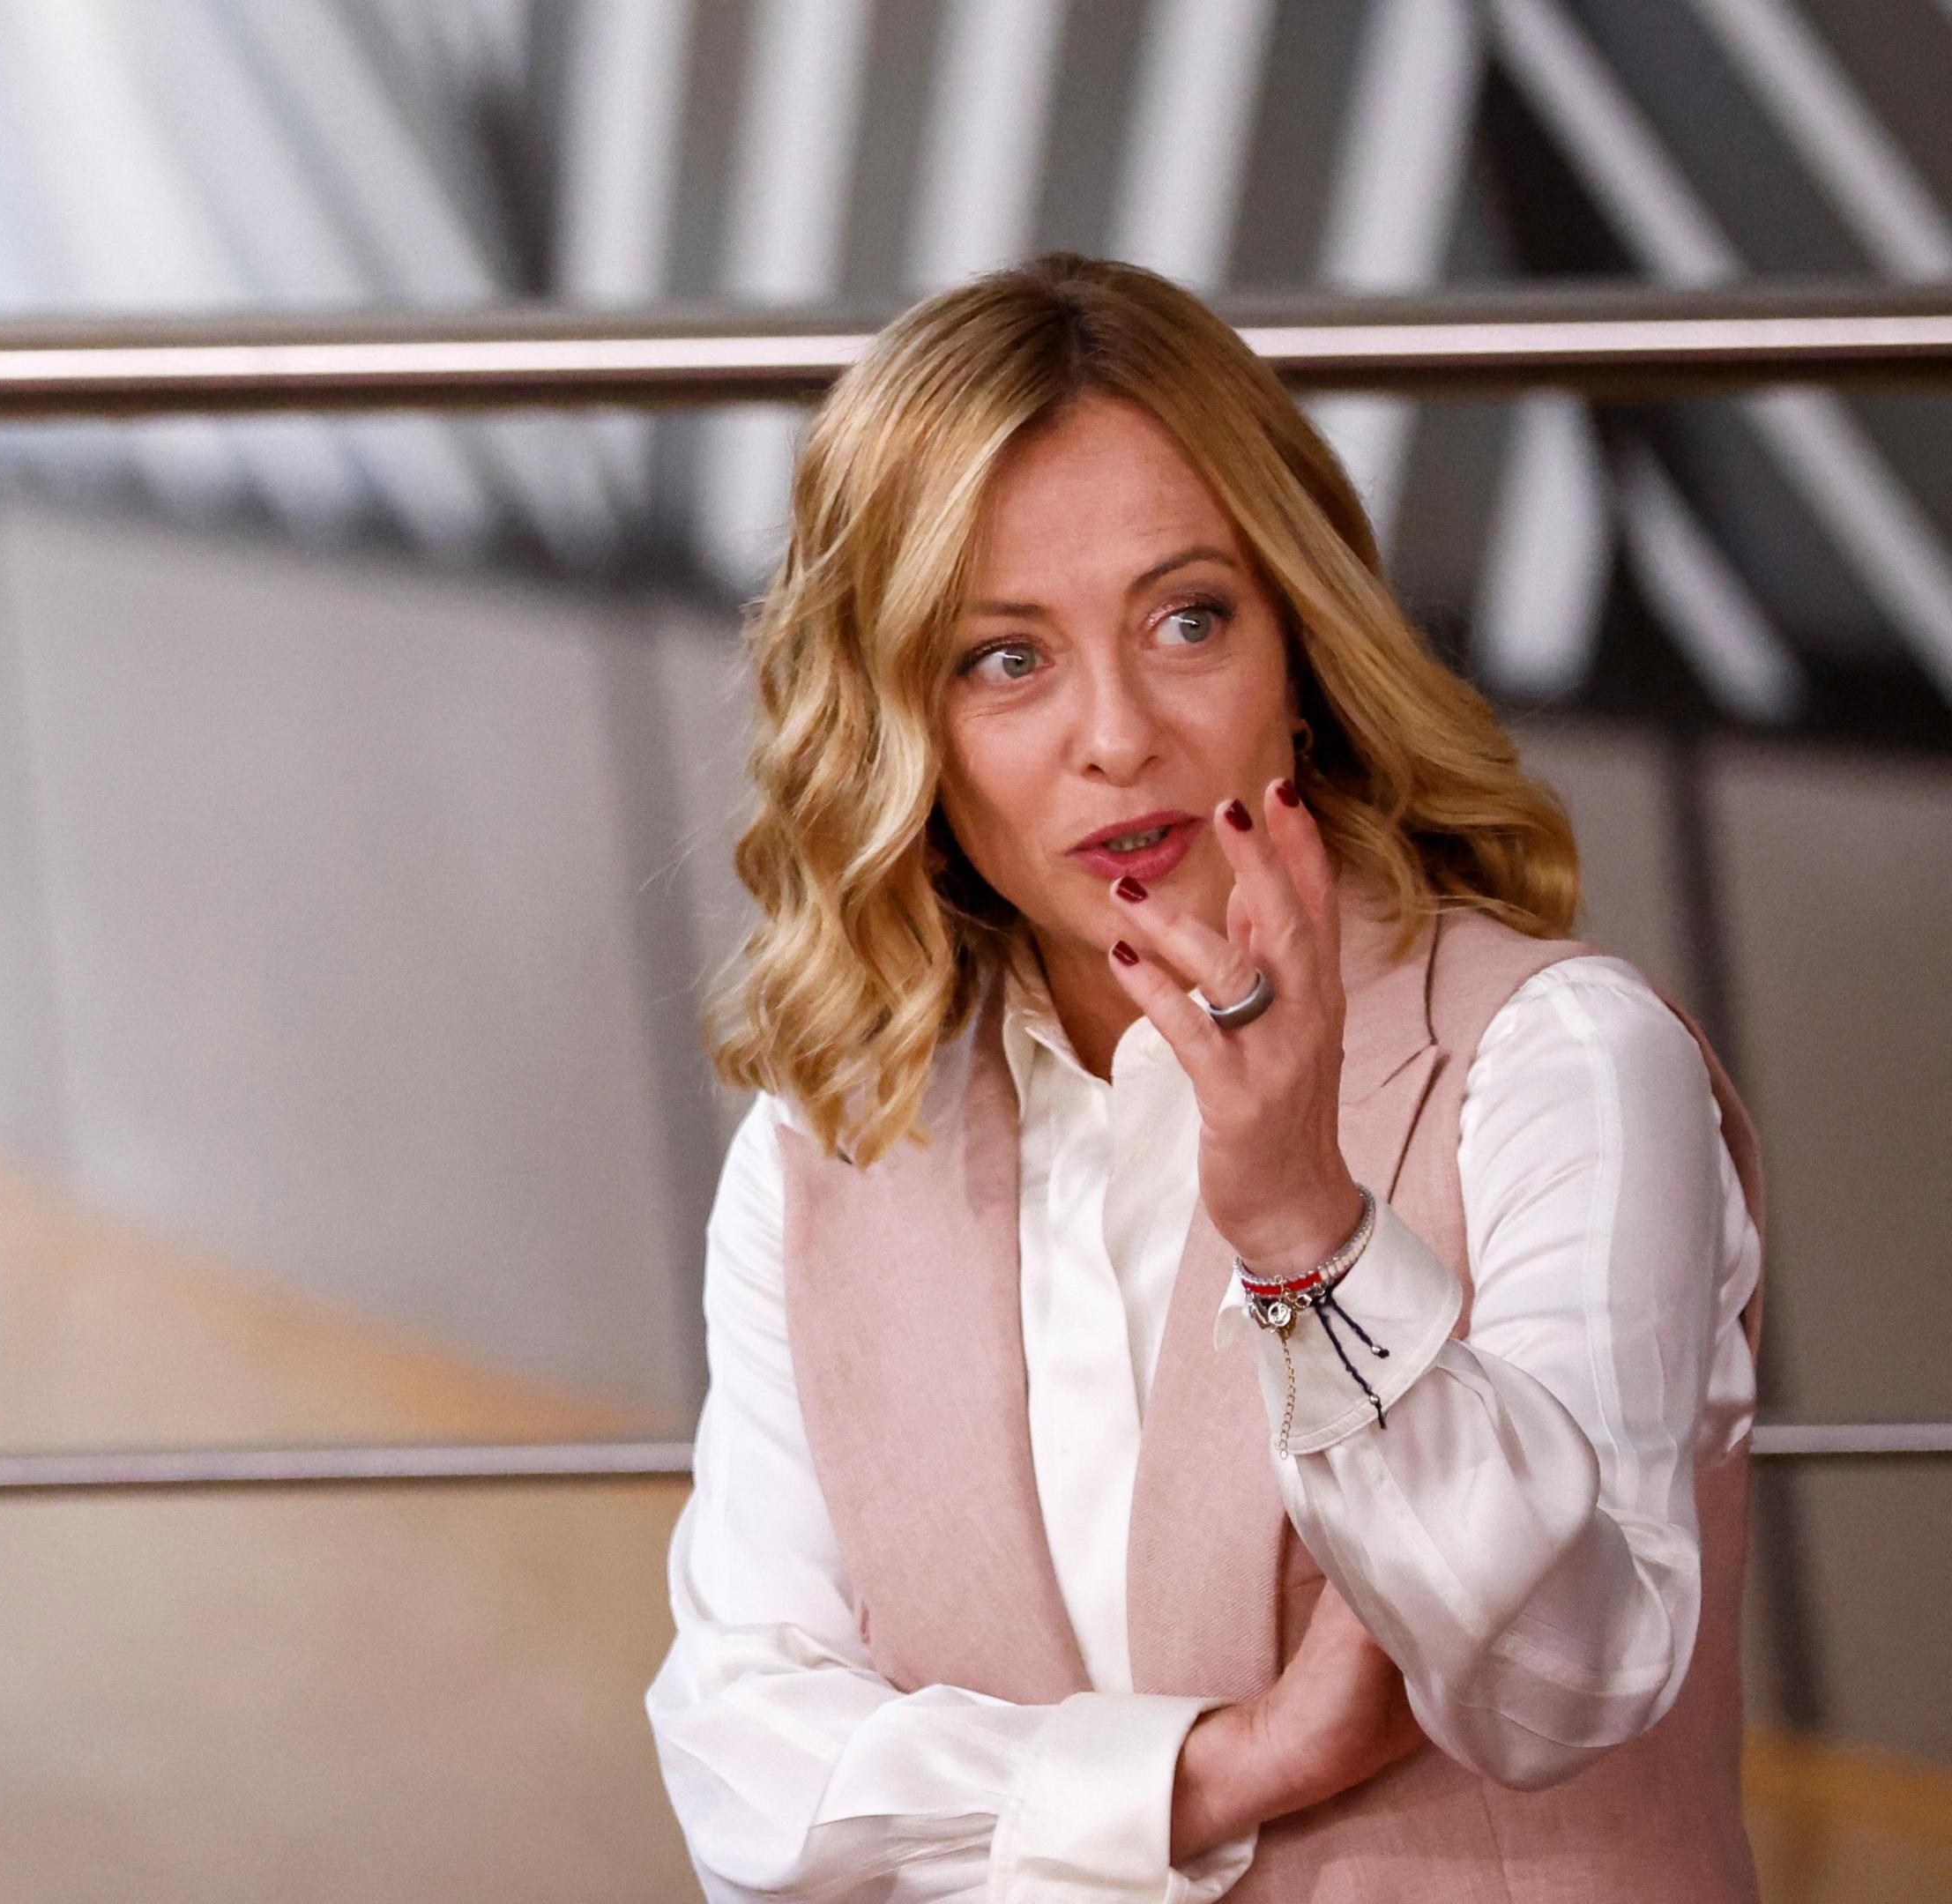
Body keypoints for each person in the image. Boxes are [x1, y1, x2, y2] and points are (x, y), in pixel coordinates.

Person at [646, 253, 1764, 1900]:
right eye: (1003, 658)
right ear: (905, 726)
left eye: (1187, 619)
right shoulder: (827, 1156)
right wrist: (1211, 1773)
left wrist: (1310, 1230)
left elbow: (1568, 1682)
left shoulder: (1559, 1064)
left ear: (1298, 646)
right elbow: (747, 1770)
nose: (1118, 734)